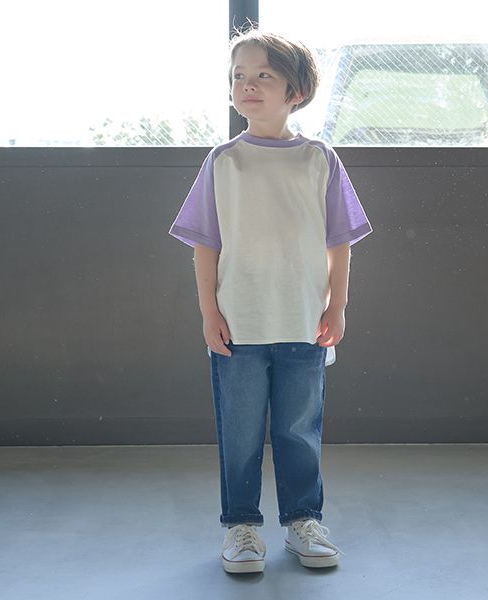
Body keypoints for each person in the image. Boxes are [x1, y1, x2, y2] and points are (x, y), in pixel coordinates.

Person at [169, 28, 372, 573]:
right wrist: (209, 312)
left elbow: (340, 241)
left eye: (264, 75)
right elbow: (205, 244)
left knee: (298, 430)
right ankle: (240, 527)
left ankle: (303, 520)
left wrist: (337, 305)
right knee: (238, 432)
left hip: (304, 322)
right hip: (239, 323)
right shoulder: (223, 161)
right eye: (240, 75)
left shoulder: (319, 159)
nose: (249, 85)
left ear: (295, 91)